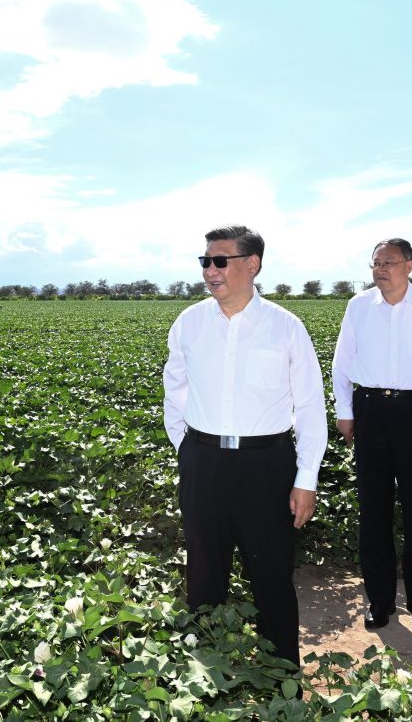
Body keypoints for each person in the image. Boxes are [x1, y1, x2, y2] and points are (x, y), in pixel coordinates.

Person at [162, 225, 328, 666]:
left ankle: (281, 677)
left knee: (271, 576)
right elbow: (173, 392)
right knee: (203, 577)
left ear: (251, 264)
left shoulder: (286, 327)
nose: (210, 271)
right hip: (204, 462)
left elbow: (311, 406)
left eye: (220, 261)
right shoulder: (189, 323)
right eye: (205, 262)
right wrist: (189, 450)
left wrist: (305, 478)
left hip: (266, 464)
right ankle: (203, 679)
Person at [332, 238, 412, 631]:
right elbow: (343, 360)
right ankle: (379, 601)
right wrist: (345, 412)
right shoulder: (359, 306)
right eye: (375, 263)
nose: (381, 269)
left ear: (409, 265)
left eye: (389, 263)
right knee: (374, 511)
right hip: (370, 411)